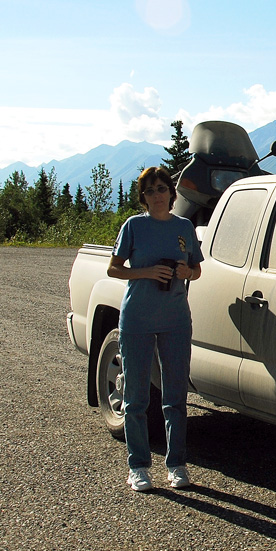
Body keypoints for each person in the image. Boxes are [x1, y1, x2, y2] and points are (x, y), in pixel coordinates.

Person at [107, 166, 204, 491]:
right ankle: (138, 467)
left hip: (175, 320)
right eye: (150, 191)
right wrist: (146, 272)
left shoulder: (184, 227)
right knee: (135, 398)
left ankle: (176, 464)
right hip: (137, 320)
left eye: (162, 189)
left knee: (175, 397)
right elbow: (114, 269)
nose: (157, 196)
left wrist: (184, 272)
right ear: (143, 197)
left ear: (171, 193)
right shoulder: (134, 226)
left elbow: (197, 271)